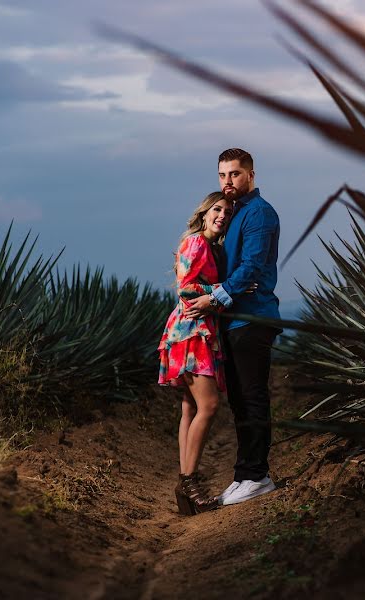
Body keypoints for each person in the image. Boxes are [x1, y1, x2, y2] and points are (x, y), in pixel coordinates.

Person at [185, 148, 282, 506]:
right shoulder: (233, 213)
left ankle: (257, 475)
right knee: (241, 399)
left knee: (253, 397)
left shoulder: (259, 213)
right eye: (223, 175)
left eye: (235, 174)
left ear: (251, 176)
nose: (228, 181)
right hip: (235, 319)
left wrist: (217, 296)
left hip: (253, 317)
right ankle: (245, 474)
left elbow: (253, 266)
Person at [158, 191, 233, 515]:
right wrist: (221, 290)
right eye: (217, 209)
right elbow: (185, 286)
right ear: (204, 213)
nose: (222, 216)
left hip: (198, 329)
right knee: (209, 405)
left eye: (227, 213)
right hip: (191, 330)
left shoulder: (211, 248)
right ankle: (189, 481)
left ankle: (186, 487)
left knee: (190, 407)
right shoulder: (196, 243)